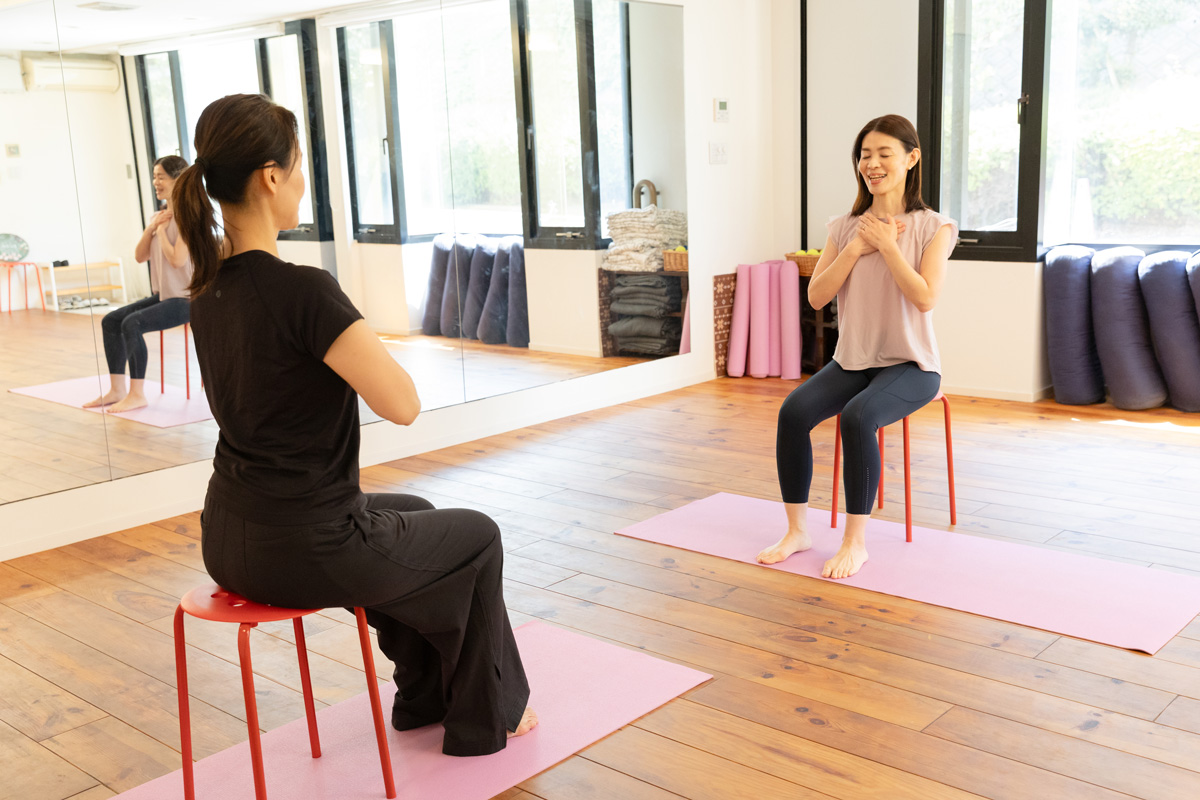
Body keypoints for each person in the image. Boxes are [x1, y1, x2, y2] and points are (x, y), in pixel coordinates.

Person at [172, 94, 536, 756]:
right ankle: (487, 719)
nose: (302, 182)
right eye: (299, 167)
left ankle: (423, 695)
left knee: (416, 511)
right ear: (271, 177)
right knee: (479, 536)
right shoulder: (304, 291)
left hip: (226, 537)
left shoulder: (209, 290)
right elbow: (403, 404)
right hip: (303, 548)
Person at [757, 114, 957, 580]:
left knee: (858, 416)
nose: (872, 164)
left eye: (885, 154)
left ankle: (855, 543)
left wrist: (887, 245)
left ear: (911, 158)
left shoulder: (934, 227)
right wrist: (854, 248)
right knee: (793, 413)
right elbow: (816, 296)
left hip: (913, 366)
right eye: (865, 155)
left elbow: (925, 297)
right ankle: (797, 532)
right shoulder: (845, 226)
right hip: (854, 361)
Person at [84, 155, 194, 413]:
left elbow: (177, 259)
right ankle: (117, 390)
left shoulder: (189, 216)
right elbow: (140, 256)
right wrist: (151, 228)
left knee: (132, 323)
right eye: (154, 177)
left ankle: (137, 394)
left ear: (178, 179)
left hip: (188, 298)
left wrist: (161, 232)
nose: (156, 182)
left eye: (161, 177)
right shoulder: (159, 216)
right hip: (164, 295)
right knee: (111, 320)